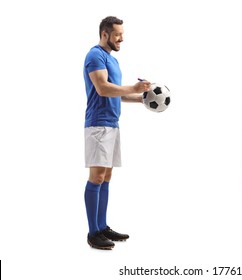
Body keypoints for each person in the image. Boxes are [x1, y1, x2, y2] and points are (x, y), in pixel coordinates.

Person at [83, 16, 151, 250]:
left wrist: (144, 99)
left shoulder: (112, 60)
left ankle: (102, 226)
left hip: (112, 123)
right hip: (98, 124)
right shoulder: (95, 56)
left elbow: (117, 94)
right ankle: (93, 233)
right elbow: (102, 88)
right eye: (117, 34)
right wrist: (132, 87)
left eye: (122, 33)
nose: (122, 38)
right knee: (97, 177)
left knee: (107, 177)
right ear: (105, 34)